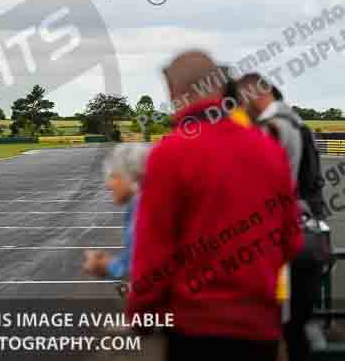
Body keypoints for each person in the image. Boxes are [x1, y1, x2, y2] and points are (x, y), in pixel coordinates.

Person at [127, 50, 303, 361]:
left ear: (174, 92)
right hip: (259, 328)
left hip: (195, 329)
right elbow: (291, 240)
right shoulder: (268, 148)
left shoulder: (170, 154)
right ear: (222, 90)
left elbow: (154, 252)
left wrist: (140, 313)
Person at [236, 72, 328, 361]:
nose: (241, 108)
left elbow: (273, 186)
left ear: (255, 95)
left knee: (281, 327)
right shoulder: (296, 122)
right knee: (297, 326)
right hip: (309, 229)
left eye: (241, 100)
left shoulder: (274, 127)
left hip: (285, 235)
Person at [84, 144, 150, 282]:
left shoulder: (144, 211)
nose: (108, 184)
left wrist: (104, 267)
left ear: (130, 175)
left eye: (113, 176)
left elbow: (140, 270)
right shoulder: (141, 204)